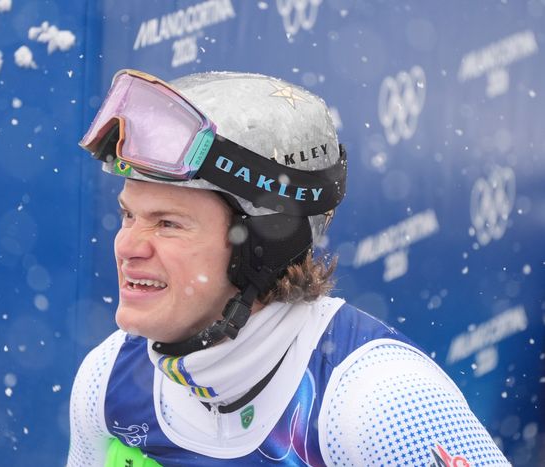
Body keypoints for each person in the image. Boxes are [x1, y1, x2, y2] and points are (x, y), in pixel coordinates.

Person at [67, 69, 509, 466]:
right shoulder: (108, 377)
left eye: (168, 224)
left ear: (262, 245)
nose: (127, 246)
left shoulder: (383, 404)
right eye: (128, 215)